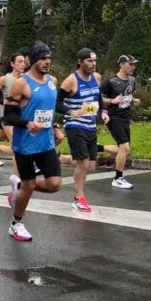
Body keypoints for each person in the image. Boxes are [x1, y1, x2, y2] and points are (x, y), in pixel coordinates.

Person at [3, 42, 66, 241]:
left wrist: (55, 127)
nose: (47, 62)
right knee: (30, 187)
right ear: (33, 60)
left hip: (45, 143)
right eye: (43, 58)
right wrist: (27, 123)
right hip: (25, 145)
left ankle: (21, 187)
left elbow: (49, 109)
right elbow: (8, 117)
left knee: (54, 184)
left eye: (49, 58)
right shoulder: (21, 84)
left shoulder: (52, 81)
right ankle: (16, 224)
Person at [59, 48, 109, 212]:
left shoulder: (97, 77)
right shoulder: (70, 81)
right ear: (80, 62)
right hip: (74, 124)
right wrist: (70, 112)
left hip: (90, 125)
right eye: (89, 61)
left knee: (90, 165)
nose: (93, 64)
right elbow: (56, 103)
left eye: (95, 61)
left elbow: (98, 98)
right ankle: (78, 198)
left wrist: (103, 111)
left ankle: (59, 158)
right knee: (83, 163)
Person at [101, 55, 141, 189]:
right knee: (125, 148)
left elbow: (128, 95)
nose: (133, 67)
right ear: (122, 65)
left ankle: (97, 148)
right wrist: (112, 101)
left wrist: (133, 100)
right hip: (113, 117)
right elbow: (99, 98)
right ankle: (118, 178)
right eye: (130, 64)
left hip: (125, 117)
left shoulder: (132, 80)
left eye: (134, 64)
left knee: (124, 150)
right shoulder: (111, 81)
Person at [0, 53, 27, 166]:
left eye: (24, 61)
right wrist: (4, 100)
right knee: (17, 147)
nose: (23, 64)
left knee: (1, 137)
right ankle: (21, 176)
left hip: (20, 116)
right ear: (12, 64)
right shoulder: (4, 79)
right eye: (19, 62)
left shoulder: (26, 79)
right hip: (7, 117)